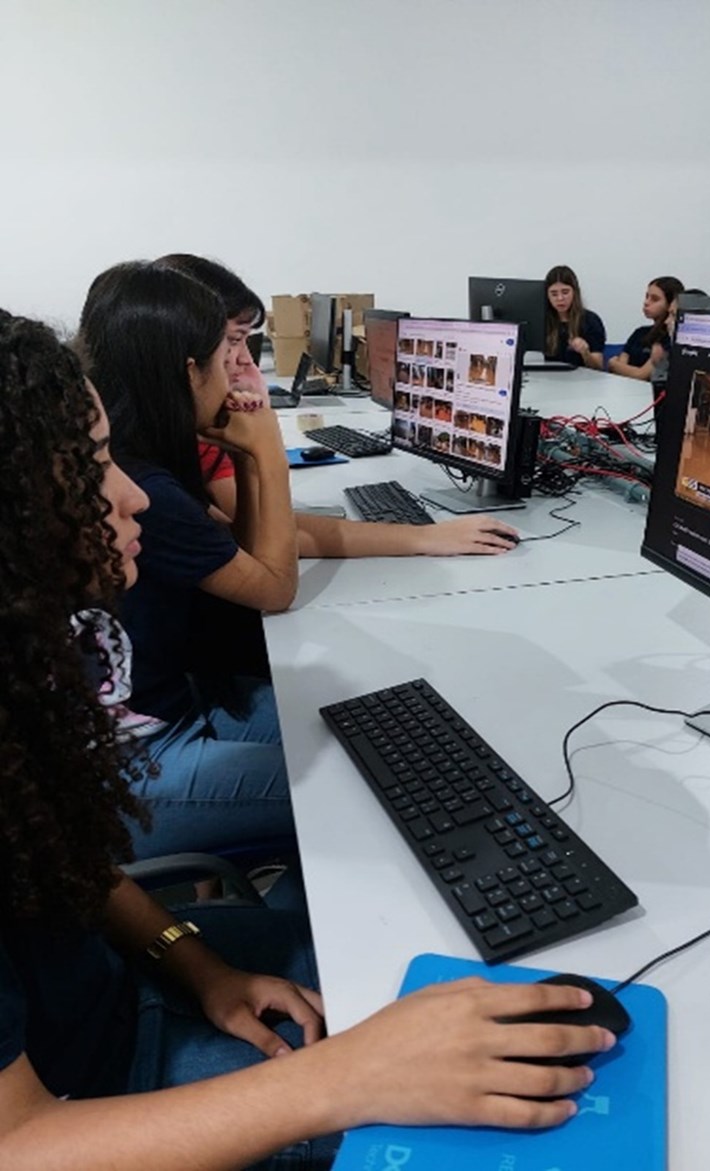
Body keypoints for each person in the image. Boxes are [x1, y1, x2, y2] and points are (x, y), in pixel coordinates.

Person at [0, 309, 615, 1170]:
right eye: (90, 467)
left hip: (125, 994)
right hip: (93, 1105)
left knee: (438, 962)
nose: (131, 491)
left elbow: (66, 866)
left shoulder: (24, 672)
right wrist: (353, 1074)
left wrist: (196, 963)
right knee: (540, 1129)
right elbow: (19, 1145)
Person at [79, 261, 297, 858]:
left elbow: (245, 552)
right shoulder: (144, 485)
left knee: (353, 731)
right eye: (225, 353)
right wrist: (268, 452)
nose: (238, 368)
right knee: (349, 787)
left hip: (175, 705)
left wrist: (249, 460)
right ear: (188, 371)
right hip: (142, 756)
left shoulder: (138, 452)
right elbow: (275, 587)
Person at [159, 254, 521, 558]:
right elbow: (264, 540)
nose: (243, 360)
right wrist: (423, 538)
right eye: (235, 340)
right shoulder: (191, 434)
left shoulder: (172, 426)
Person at [608, 276, 685, 382]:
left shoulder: (671, 338)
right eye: (647, 297)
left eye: (655, 299)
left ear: (670, 304)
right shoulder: (639, 332)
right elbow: (621, 367)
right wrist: (619, 367)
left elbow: (641, 375)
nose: (646, 302)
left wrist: (613, 364)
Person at [543, 264, 606, 370]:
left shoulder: (590, 320)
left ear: (575, 292)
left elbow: (598, 366)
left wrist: (585, 352)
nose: (560, 298)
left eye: (565, 292)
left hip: (582, 381)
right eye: (554, 294)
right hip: (548, 378)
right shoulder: (542, 321)